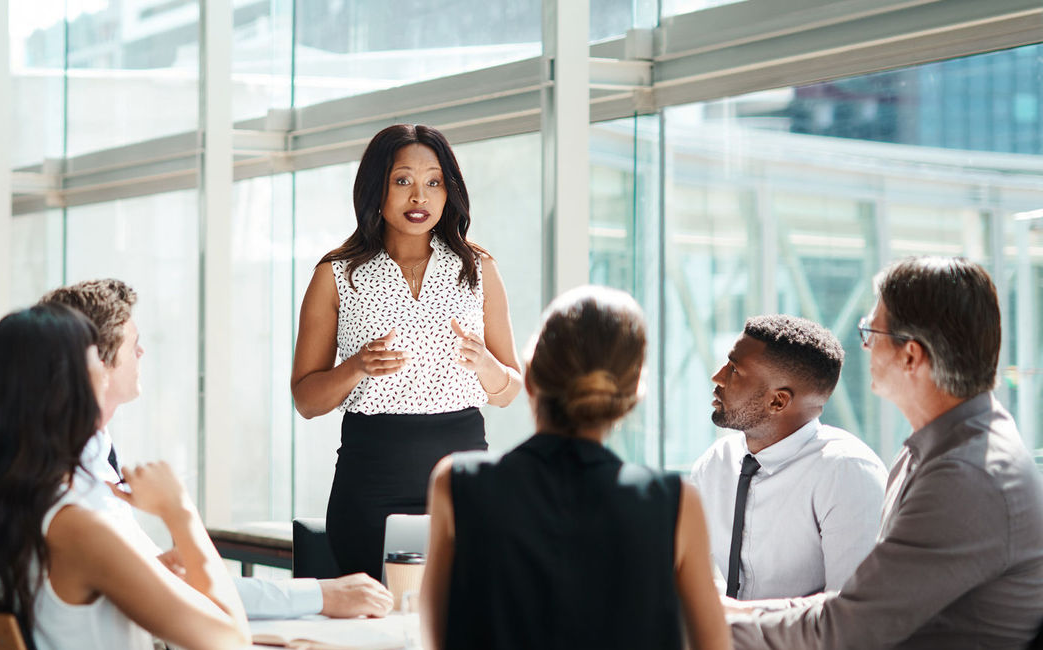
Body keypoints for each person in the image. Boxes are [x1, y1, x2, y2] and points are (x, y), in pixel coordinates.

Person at [728, 257, 1043, 649]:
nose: (864, 345)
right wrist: (732, 612)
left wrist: (705, 623)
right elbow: (859, 606)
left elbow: (848, 631)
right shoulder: (938, 451)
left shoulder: (967, 476)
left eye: (870, 330)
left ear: (911, 356)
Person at [40, 279, 393, 619]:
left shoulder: (84, 460)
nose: (142, 351)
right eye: (132, 342)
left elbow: (161, 583)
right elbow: (187, 604)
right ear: (95, 361)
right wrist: (321, 595)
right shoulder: (74, 492)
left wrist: (160, 569)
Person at [420, 286, 731, 650]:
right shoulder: (676, 503)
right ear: (631, 395)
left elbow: (434, 640)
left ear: (531, 378)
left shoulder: (457, 483)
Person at [291, 124, 523, 581]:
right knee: (380, 617)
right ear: (376, 188)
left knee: (460, 623)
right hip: (371, 484)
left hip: (463, 484)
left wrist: (484, 364)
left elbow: (508, 389)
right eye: (403, 181)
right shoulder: (336, 274)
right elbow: (306, 399)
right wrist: (356, 366)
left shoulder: (478, 268)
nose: (420, 197)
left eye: (433, 182)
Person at [0, 303, 250, 650]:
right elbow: (231, 641)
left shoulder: (2, 504)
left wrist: (139, 571)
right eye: (96, 358)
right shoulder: (77, 528)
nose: (106, 372)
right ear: (68, 388)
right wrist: (180, 511)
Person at [690, 315, 886, 600]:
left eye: (734, 370)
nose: (718, 377)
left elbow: (853, 614)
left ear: (777, 401)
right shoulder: (716, 463)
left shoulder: (847, 473)